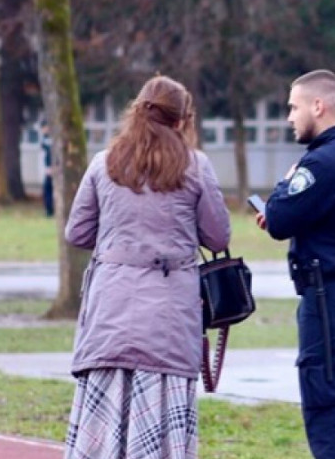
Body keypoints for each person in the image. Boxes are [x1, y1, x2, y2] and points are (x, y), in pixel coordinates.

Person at [63, 75, 231, 459]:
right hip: (169, 318)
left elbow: (77, 232)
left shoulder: (103, 164)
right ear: (181, 121)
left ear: (136, 110)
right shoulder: (196, 166)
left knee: (104, 428)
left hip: (110, 311)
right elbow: (218, 237)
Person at [255, 69, 335, 459]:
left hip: (334, 300)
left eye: (294, 107)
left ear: (319, 105)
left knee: (329, 407)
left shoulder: (323, 162)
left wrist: (288, 180)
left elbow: (278, 219)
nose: (289, 117)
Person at [40, 121, 54, 217]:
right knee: (47, 189)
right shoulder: (44, 138)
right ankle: (48, 209)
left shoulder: (50, 139)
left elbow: (50, 154)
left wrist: (50, 167)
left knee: (49, 189)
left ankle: (50, 210)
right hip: (47, 168)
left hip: (51, 169)